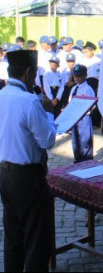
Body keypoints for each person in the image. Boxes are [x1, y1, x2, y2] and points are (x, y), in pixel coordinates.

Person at [0, 49, 56, 271]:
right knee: (36, 239)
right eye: (34, 73)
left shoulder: (2, 95)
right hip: (27, 177)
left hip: (4, 174)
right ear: (27, 72)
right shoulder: (29, 101)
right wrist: (49, 113)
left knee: (13, 236)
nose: (35, 77)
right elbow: (48, 141)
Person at [69, 64, 96, 163]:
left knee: (85, 142)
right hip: (74, 119)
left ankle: (87, 162)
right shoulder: (73, 89)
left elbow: (93, 105)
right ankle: (78, 161)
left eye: (80, 76)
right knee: (75, 143)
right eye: (75, 76)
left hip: (84, 118)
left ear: (85, 75)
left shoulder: (88, 89)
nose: (77, 78)